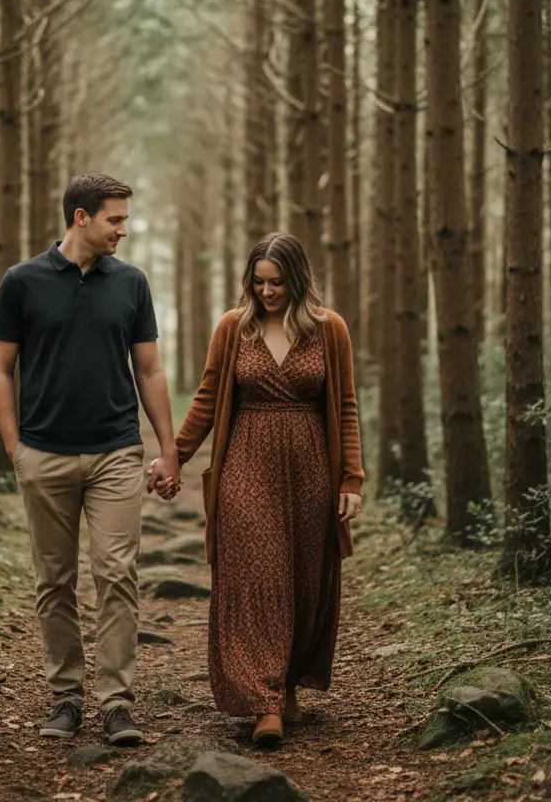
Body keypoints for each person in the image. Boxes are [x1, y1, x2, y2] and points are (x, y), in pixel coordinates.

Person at [0, 173, 181, 745]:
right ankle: (66, 699)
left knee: (117, 576)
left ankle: (117, 704)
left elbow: (149, 369)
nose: (124, 229)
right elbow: (0, 369)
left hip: (116, 454)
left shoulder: (132, 283)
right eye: (114, 219)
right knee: (55, 582)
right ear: (80, 217)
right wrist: (14, 448)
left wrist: (168, 448)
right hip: (43, 456)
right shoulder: (21, 282)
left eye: (125, 219)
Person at [175, 232, 365, 747]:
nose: (267, 292)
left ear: (298, 280)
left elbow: (345, 405)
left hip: (310, 469)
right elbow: (208, 398)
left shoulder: (330, 330)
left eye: (277, 282)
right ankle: (263, 702)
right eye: (258, 282)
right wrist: (175, 456)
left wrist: (352, 479)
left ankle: (286, 684)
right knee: (258, 576)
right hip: (246, 464)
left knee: (304, 579)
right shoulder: (233, 328)